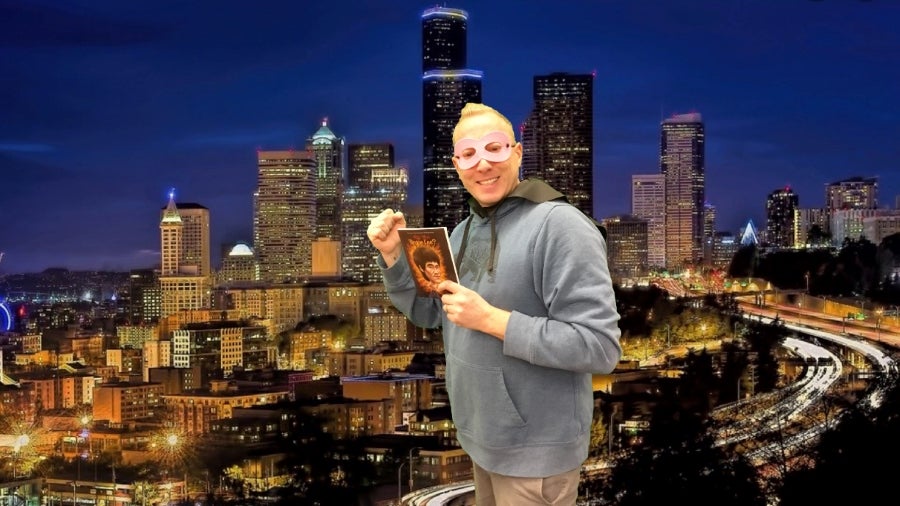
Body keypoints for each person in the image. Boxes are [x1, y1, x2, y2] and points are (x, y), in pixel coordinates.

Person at [367, 102, 622, 506]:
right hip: (481, 439)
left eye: (494, 149)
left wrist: (492, 320)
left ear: (517, 153)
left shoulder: (561, 225)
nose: (482, 163)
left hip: (537, 451)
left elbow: (599, 346)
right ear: (456, 165)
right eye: (469, 154)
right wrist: (393, 257)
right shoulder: (464, 231)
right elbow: (431, 312)